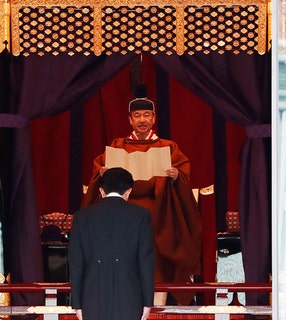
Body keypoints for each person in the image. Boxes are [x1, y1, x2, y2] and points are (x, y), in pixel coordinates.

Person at [81, 84, 201, 305]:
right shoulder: (118, 146)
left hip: (159, 219)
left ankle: (157, 310)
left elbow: (184, 177)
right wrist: (102, 173)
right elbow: (98, 174)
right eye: (137, 116)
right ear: (130, 120)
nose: (142, 120)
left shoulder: (168, 147)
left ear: (154, 118)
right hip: (123, 218)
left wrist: (176, 177)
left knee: (156, 265)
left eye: (147, 115)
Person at [69, 167, 155, 320]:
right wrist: (148, 302)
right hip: (130, 296)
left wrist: (77, 303)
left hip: (92, 297)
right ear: (129, 191)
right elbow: (146, 261)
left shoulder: (81, 217)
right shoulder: (141, 215)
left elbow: (76, 264)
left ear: (101, 191)